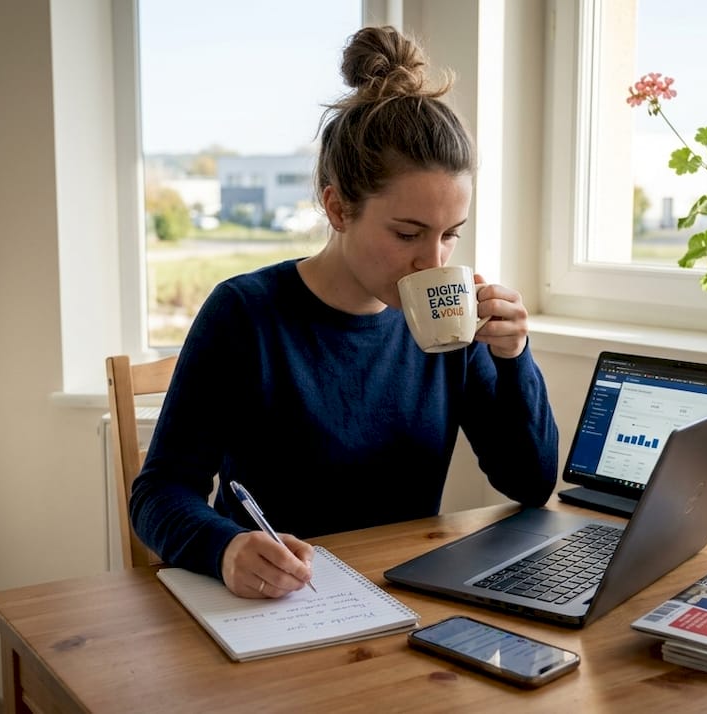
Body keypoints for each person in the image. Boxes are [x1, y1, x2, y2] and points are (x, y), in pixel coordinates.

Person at [129, 25, 559, 600]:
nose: (429, 263)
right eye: (408, 233)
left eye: (450, 235)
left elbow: (529, 484)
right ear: (337, 207)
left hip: (402, 600)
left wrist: (514, 359)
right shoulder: (246, 314)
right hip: (276, 609)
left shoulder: (450, 328)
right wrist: (225, 547)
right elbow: (159, 493)